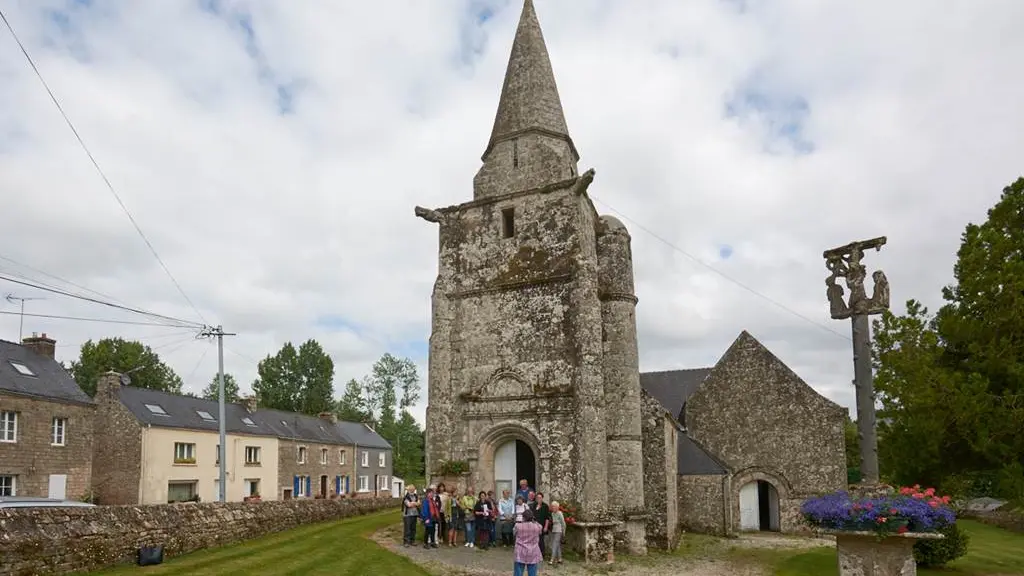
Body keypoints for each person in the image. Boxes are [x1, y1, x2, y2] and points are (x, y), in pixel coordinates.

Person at [512, 508, 543, 576]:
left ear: (523, 517)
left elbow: (514, 533)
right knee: (532, 573)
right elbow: (540, 530)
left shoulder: (518, 526)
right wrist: (534, 521)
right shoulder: (538, 526)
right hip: (533, 551)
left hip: (520, 551)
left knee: (518, 572)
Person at [530, 492, 551, 556]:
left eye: (540, 498)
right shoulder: (533, 505)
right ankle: (534, 553)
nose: (539, 499)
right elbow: (531, 515)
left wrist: (546, 527)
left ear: (542, 498)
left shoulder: (545, 506)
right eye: (537, 498)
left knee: (541, 540)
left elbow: (547, 518)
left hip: (542, 526)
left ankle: (542, 553)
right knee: (534, 540)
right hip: (534, 525)